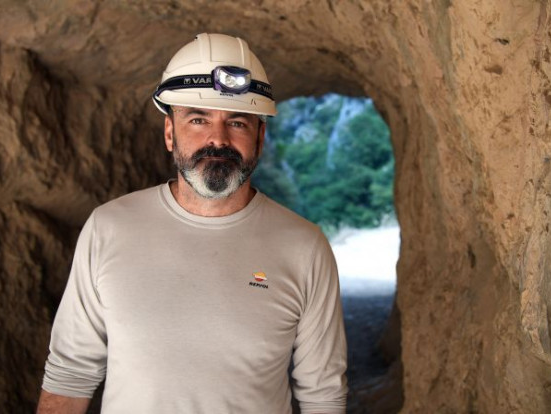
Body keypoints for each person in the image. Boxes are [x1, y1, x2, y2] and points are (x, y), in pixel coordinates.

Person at [37, 33, 347, 413]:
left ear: (260, 138)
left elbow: (323, 396)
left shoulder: (305, 248)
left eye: (237, 122)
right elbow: (70, 376)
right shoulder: (109, 228)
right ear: (170, 133)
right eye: (198, 119)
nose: (217, 139)